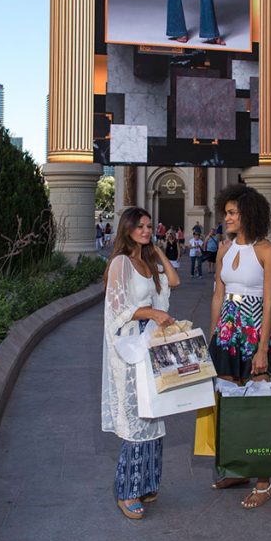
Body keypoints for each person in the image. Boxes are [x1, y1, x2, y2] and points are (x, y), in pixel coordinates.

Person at [102, 207, 181, 520]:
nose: (146, 231)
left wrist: (159, 253)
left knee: (153, 414)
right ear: (128, 229)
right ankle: (126, 491)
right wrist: (153, 313)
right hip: (129, 348)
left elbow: (173, 281)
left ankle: (148, 483)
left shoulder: (147, 262)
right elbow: (119, 307)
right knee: (136, 418)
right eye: (141, 227)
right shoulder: (120, 263)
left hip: (149, 347)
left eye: (150, 226)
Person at [209, 184, 271, 509]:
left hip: (254, 332)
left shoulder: (267, 250)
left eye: (232, 212)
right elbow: (217, 294)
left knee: (258, 409)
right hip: (226, 333)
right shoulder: (224, 249)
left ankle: (264, 482)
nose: (226, 217)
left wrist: (263, 348)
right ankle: (239, 469)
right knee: (228, 406)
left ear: (248, 214)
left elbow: (268, 304)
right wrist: (213, 337)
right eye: (226, 212)